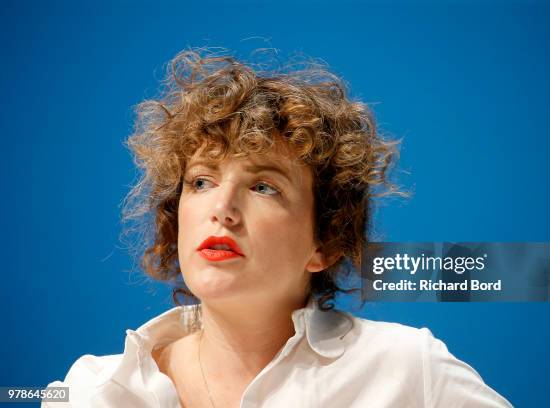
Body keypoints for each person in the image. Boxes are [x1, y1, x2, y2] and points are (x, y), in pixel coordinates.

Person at [44, 48, 512, 407]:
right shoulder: (91, 390)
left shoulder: (408, 369)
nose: (223, 208)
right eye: (202, 181)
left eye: (264, 187)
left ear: (324, 242)